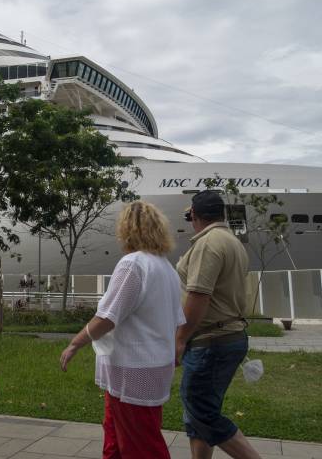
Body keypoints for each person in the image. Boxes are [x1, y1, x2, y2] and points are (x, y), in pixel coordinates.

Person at [60, 200, 185, 459]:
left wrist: (75, 343)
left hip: (134, 370)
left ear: (127, 229)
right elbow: (176, 320)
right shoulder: (167, 269)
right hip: (153, 366)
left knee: (141, 445)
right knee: (116, 436)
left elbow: (107, 317)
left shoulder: (133, 265)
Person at [175, 190, 261, 459]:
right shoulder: (232, 241)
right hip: (228, 335)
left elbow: (199, 294)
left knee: (202, 412)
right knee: (199, 416)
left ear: (195, 216)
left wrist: (180, 339)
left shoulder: (208, 243)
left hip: (210, 340)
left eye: (189, 216)